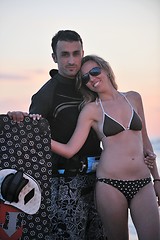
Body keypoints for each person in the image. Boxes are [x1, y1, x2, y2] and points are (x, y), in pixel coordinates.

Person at [7, 30, 105, 240]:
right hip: (66, 185)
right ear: (54, 57)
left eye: (76, 53)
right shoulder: (46, 94)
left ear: (82, 53)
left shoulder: (92, 86)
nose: (71, 60)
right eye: (65, 54)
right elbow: (32, 137)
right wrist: (19, 119)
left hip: (101, 180)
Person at [50, 54, 160, 240]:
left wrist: (157, 179)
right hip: (110, 185)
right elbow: (70, 150)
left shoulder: (134, 98)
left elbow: (146, 142)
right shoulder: (91, 110)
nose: (92, 79)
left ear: (106, 70)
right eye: (85, 78)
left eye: (94, 71)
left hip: (143, 183)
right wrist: (41, 137)